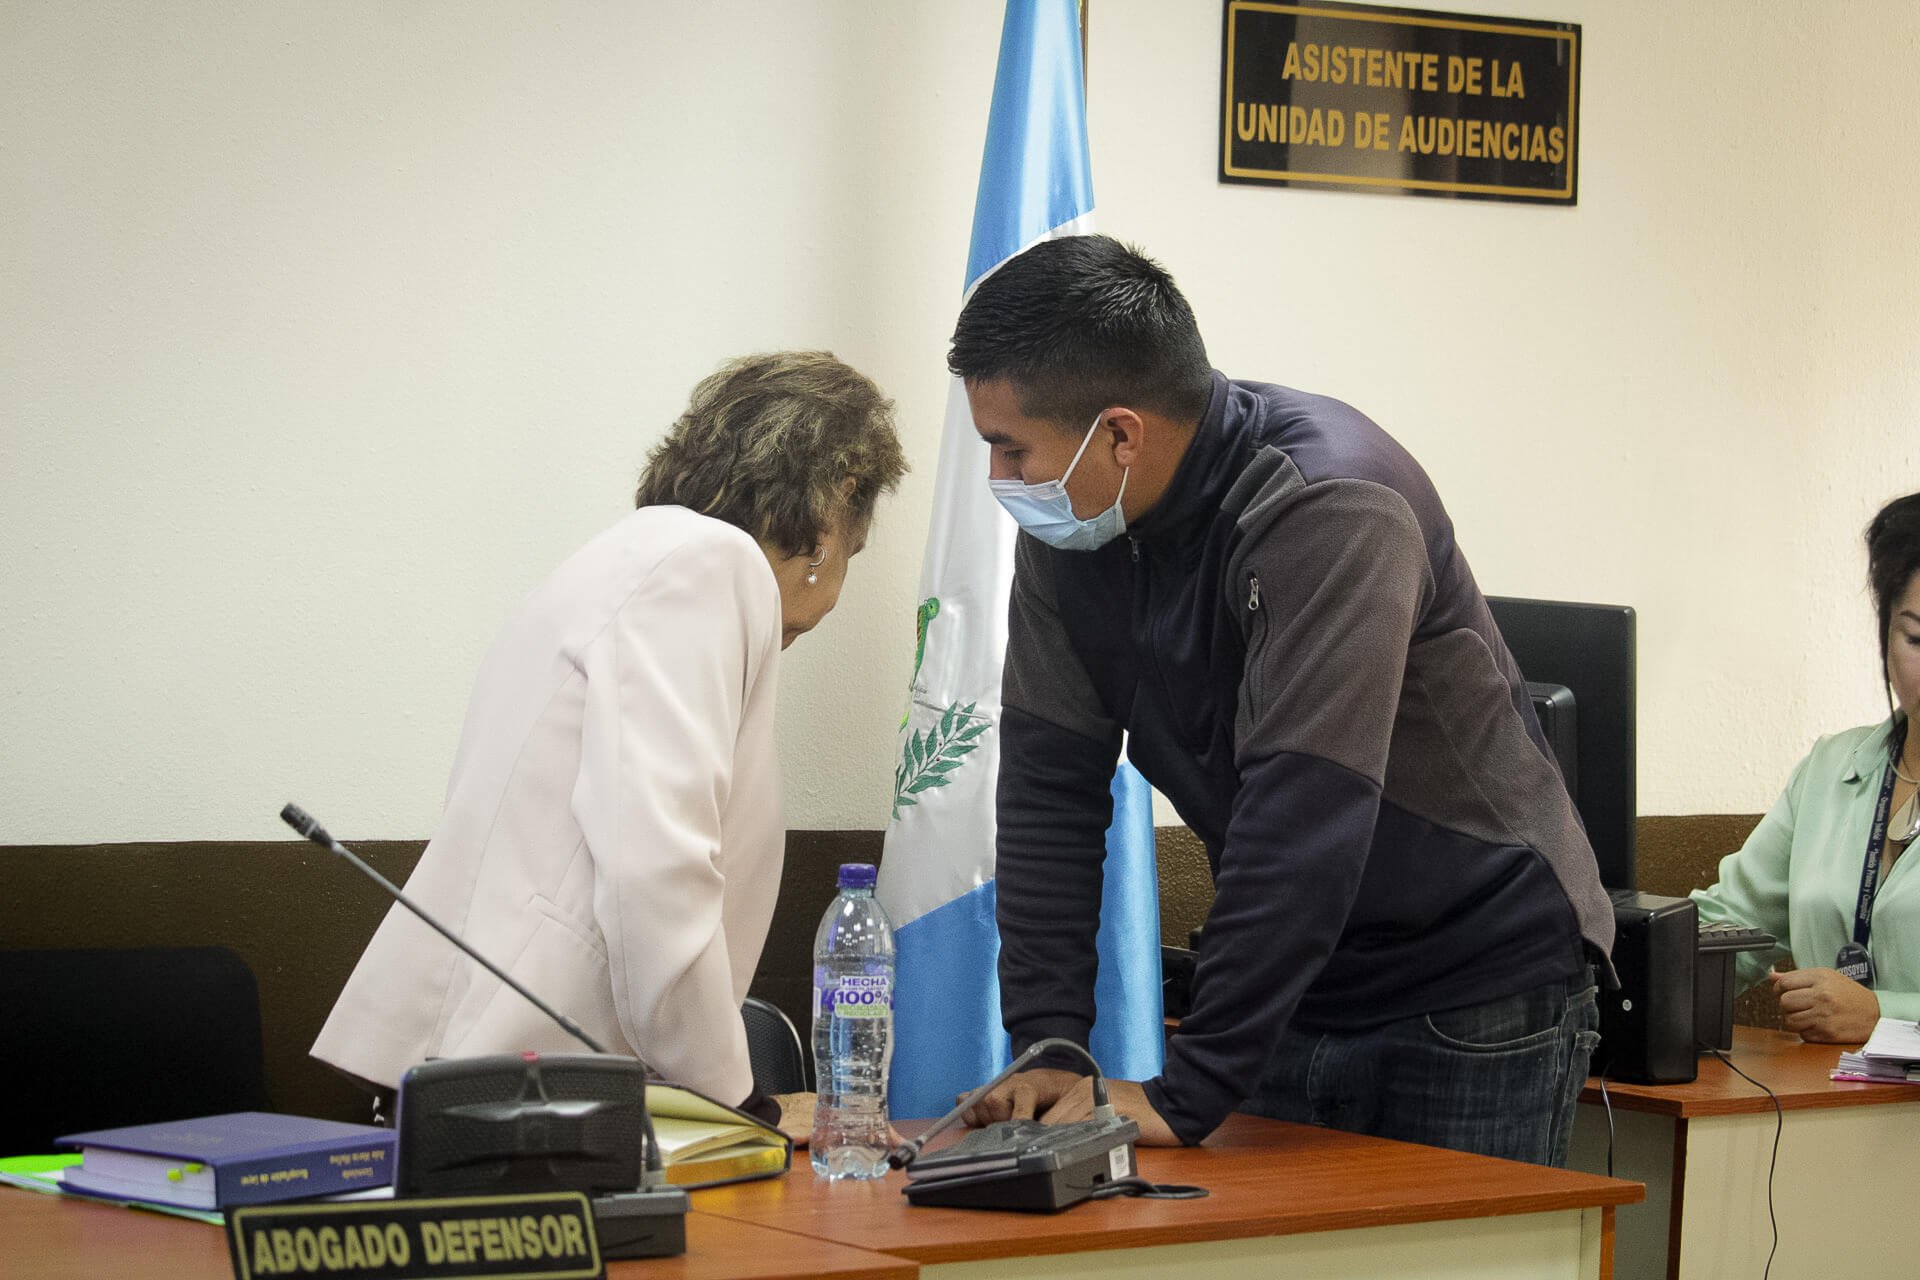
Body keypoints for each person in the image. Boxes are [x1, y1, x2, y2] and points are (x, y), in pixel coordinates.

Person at [952, 235, 1612, 1166]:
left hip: (1473, 986)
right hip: (1295, 984)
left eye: (1011, 449)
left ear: (1121, 434)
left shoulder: (1332, 502)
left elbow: (1304, 813)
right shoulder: (1071, 533)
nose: (1001, 482)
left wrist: (1189, 1090)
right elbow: (1048, 793)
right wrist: (1053, 1044)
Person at [311, 351, 906, 1138]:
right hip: (543, 1097)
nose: (830, 601)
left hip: (489, 1076)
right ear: (834, 514)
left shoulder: (630, 558)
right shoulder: (708, 565)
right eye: (853, 557)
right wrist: (738, 1104)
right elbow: (654, 865)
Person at [1691, 492, 1920, 1043]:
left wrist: (1880, 1014)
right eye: (1916, 637)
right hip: (1821, 1109)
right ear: (1885, 636)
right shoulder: (1831, 770)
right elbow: (1729, 928)